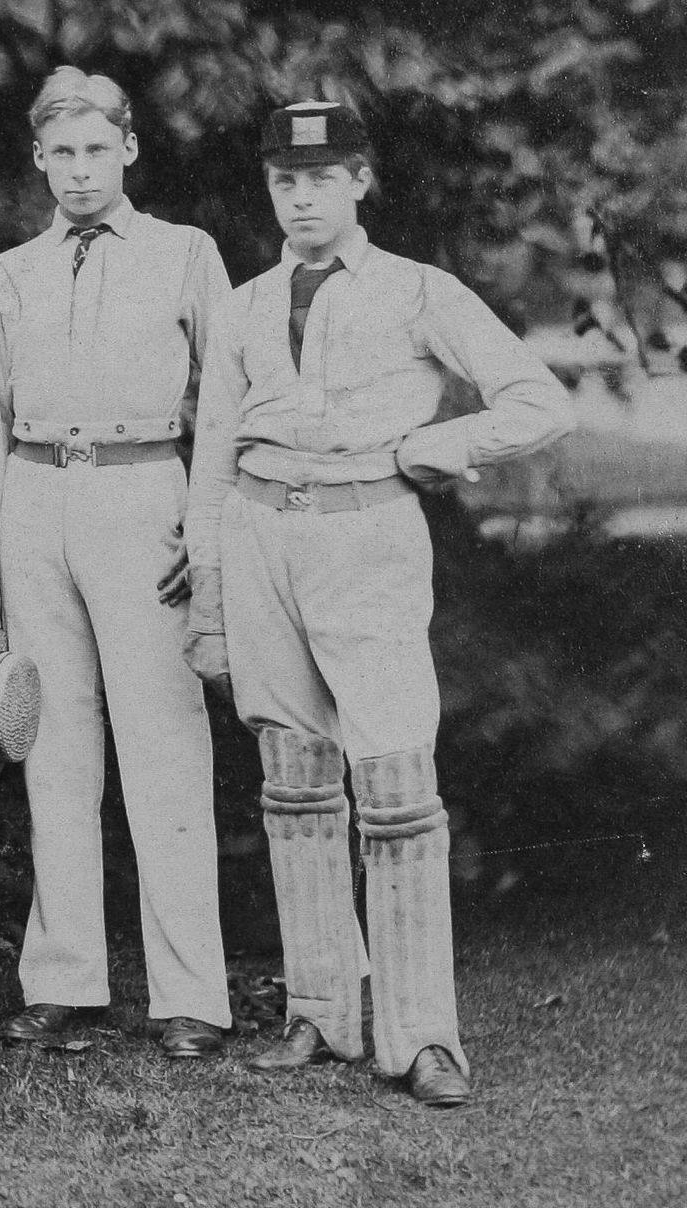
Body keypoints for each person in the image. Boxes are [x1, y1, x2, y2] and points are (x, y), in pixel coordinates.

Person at [185, 100, 572, 1107]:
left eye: (323, 178)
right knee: (293, 780)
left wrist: (435, 448)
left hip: (367, 535)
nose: (302, 198)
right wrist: (210, 606)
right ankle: (321, 1010)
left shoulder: (416, 290)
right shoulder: (244, 305)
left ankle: (422, 1036)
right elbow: (212, 459)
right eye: (285, 180)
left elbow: (538, 400)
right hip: (260, 534)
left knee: (397, 780)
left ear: (360, 180)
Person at [0, 66, 235, 1058]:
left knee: (164, 744)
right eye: (61, 153)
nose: (79, 171)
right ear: (38, 158)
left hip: (143, 492)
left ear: (129, 149)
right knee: (54, 750)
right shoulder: (12, 272)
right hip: (35, 494)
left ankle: (191, 994)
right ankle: (65, 978)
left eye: (96, 150)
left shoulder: (184, 253)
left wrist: (206, 530)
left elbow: (227, 408)